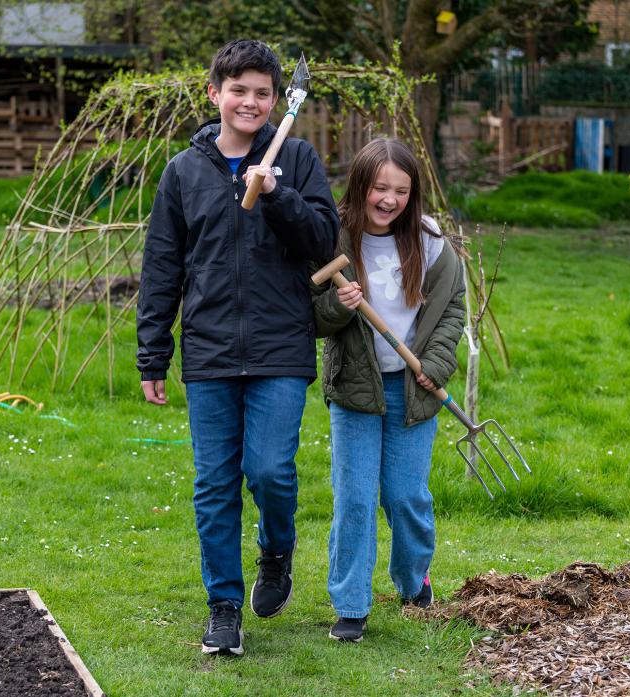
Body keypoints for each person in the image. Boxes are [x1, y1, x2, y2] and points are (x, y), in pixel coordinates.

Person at [136, 39, 338, 656]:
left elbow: (325, 239)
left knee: (271, 470)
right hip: (210, 348)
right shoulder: (183, 172)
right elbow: (163, 265)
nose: (250, 102)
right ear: (214, 94)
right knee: (214, 482)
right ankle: (223, 605)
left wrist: (276, 194)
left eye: (262, 93)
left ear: (276, 100)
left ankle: (276, 551)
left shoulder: (296, 158)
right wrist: (153, 353)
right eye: (239, 90)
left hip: (280, 345)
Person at [311, 138, 465, 643]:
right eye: (380, 187)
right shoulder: (331, 239)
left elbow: (451, 311)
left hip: (413, 388)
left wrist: (438, 363)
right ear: (361, 185)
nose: (389, 199)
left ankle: (413, 582)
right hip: (356, 387)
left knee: (405, 497)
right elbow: (308, 316)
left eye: (401, 190)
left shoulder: (431, 244)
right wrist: (340, 307)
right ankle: (351, 604)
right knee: (354, 497)